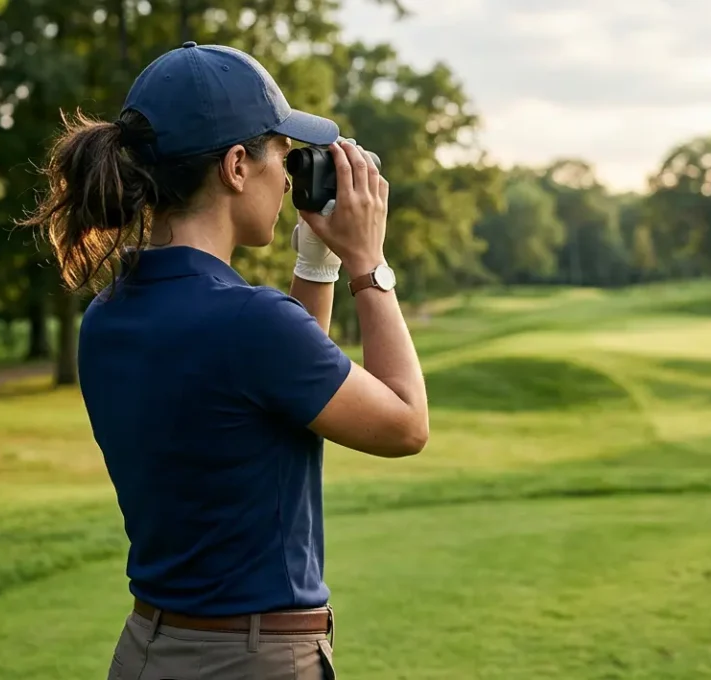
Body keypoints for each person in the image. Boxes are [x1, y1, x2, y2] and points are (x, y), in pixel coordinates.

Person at [21, 41, 428, 680]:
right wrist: (367, 264)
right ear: (237, 165)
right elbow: (406, 425)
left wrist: (314, 267)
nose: (290, 177)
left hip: (146, 651)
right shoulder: (250, 322)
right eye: (282, 155)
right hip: (252, 660)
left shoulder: (108, 314)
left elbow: (284, 398)